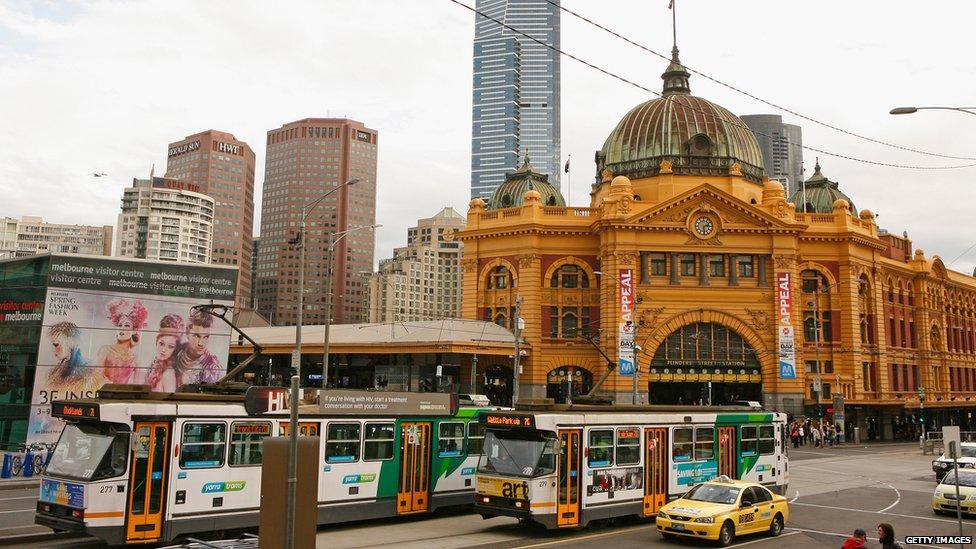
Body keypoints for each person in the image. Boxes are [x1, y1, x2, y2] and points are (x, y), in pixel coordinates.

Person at [96, 299, 149, 384]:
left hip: (124, 396)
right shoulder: (105, 350)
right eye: (120, 325)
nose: (122, 328)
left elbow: (137, 385)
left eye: (127, 325)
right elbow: (97, 377)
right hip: (104, 394)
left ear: (134, 330)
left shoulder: (135, 359)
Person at [175, 308, 222, 385]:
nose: (201, 343)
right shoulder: (175, 353)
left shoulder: (212, 367)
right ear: (187, 333)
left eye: (206, 337)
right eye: (197, 336)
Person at [144, 314, 185, 392]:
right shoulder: (153, 365)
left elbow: (169, 403)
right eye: (161, 344)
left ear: (175, 349)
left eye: (170, 346)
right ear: (157, 341)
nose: (163, 350)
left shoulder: (168, 374)